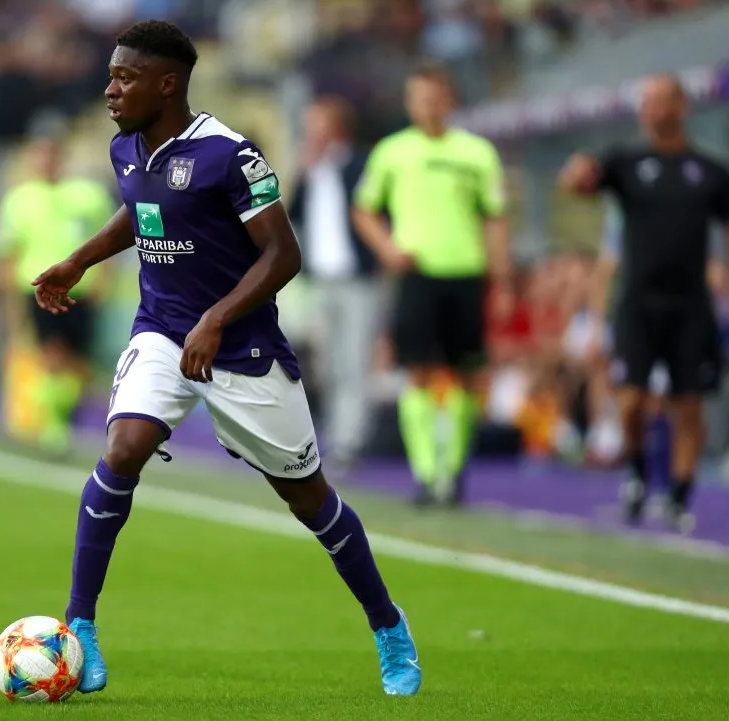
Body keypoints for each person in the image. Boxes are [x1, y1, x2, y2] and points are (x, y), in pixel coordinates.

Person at [31, 20, 421, 697]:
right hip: (160, 327)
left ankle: (387, 622)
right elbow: (143, 209)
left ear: (167, 83)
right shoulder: (126, 146)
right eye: (111, 76)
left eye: (124, 77)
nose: (109, 88)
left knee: (308, 498)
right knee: (123, 448)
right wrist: (78, 260)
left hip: (240, 344)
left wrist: (216, 318)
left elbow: (283, 253)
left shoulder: (228, 154)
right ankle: (81, 624)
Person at [559, 73, 729, 532]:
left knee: (688, 403)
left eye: (660, 101)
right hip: (637, 301)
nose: (651, 109)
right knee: (631, 400)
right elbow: (582, 183)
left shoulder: (709, 172)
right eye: (645, 102)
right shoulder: (626, 163)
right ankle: (636, 472)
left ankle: (678, 494)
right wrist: (575, 173)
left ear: (681, 106)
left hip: (690, 303)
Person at [351, 63, 513, 506]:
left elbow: (496, 216)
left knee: (465, 373)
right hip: (416, 274)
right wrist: (387, 248)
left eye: (434, 96)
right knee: (418, 371)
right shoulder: (392, 152)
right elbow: (364, 209)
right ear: (409, 102)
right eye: (418, 96)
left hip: (465, 271)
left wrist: (502, 276)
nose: (427, 104)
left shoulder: (476, 152)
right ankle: (425, 472)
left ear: (450, 101)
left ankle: (453, 471)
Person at [0, 120, 114, 453]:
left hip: (82, 291)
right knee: (52, 356)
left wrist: (104, 279)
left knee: (79, 366)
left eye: (52, 152)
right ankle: (54, 426)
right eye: (41, 153)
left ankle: (61, 419)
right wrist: (7, 300)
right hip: (39, 289)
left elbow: (108, 239)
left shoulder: (87, 196)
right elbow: (7, 253)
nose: (47, 159)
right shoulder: (19, 200)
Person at [287, 96, 384, 469]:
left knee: (355, 359)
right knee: (327, 363)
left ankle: (350, 440)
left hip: (357, 278)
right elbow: (294, 212)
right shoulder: (313, 170)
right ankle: (335, 431)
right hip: (322, 279)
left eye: (318, 124)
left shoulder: (358, 165)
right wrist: (304, 170)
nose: (311, 132)